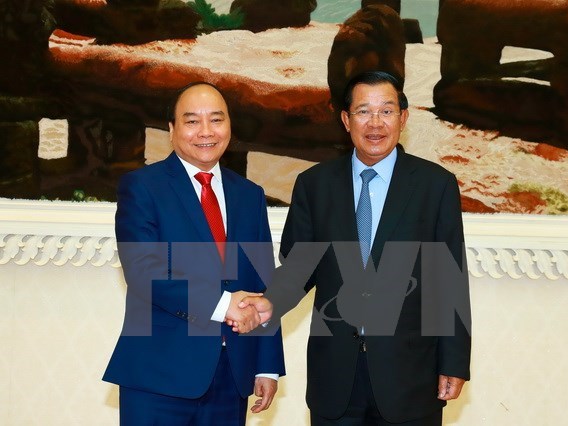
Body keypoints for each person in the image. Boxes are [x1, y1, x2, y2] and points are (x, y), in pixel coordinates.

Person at [238, 71, 471, 425]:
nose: (375, 123)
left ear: (403, 118)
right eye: (363, 111)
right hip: (335, 374)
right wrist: (269, 301)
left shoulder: (434, 185)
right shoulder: (315, 185)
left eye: (386, 111)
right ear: (346, 120)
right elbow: (298, 269)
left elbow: (448, 279)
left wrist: (453, 361)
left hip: (409, 375)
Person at [103, 82, 285, 425]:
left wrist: (267, 364)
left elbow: (262, 281)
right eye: (192, 121)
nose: (206, 132)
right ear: (172, 130)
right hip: (159, 377)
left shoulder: (249, 195)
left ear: (229, 126)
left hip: (232, 377)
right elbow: (144, 271)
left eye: (216, 120)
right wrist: (223, 304)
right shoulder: (142, 187)